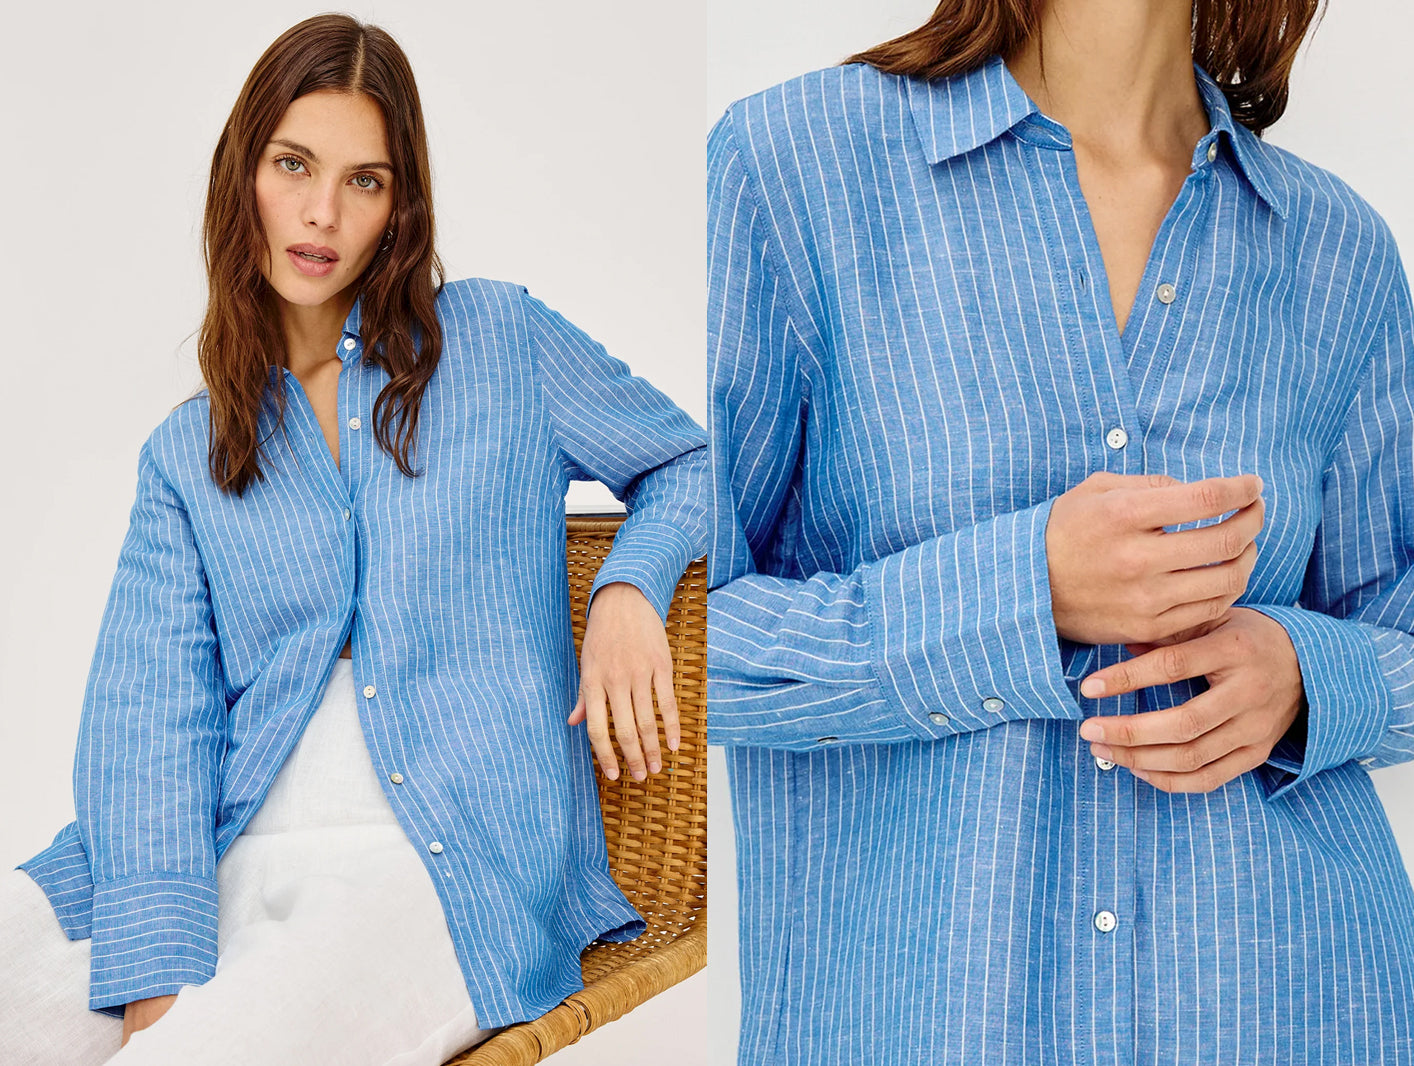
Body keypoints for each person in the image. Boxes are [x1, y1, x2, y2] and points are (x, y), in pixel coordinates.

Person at [705, 0, 1414, 1062]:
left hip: (1282, 1010)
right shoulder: (792, 168)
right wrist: (1017, 595)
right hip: (930, 1023)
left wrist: (1305, 675)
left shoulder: (1337, 250)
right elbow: (685, 643)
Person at [0, 12, 706, 1064]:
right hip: (221, 846)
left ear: (399, 206)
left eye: (363, 181)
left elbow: (694, 463)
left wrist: (627, 588)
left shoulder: (500, 342)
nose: (322, 212)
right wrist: (157, 962)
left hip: (439, 866)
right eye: (293, 164)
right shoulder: (189, 449)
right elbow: (148, 716)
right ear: (244, 173)